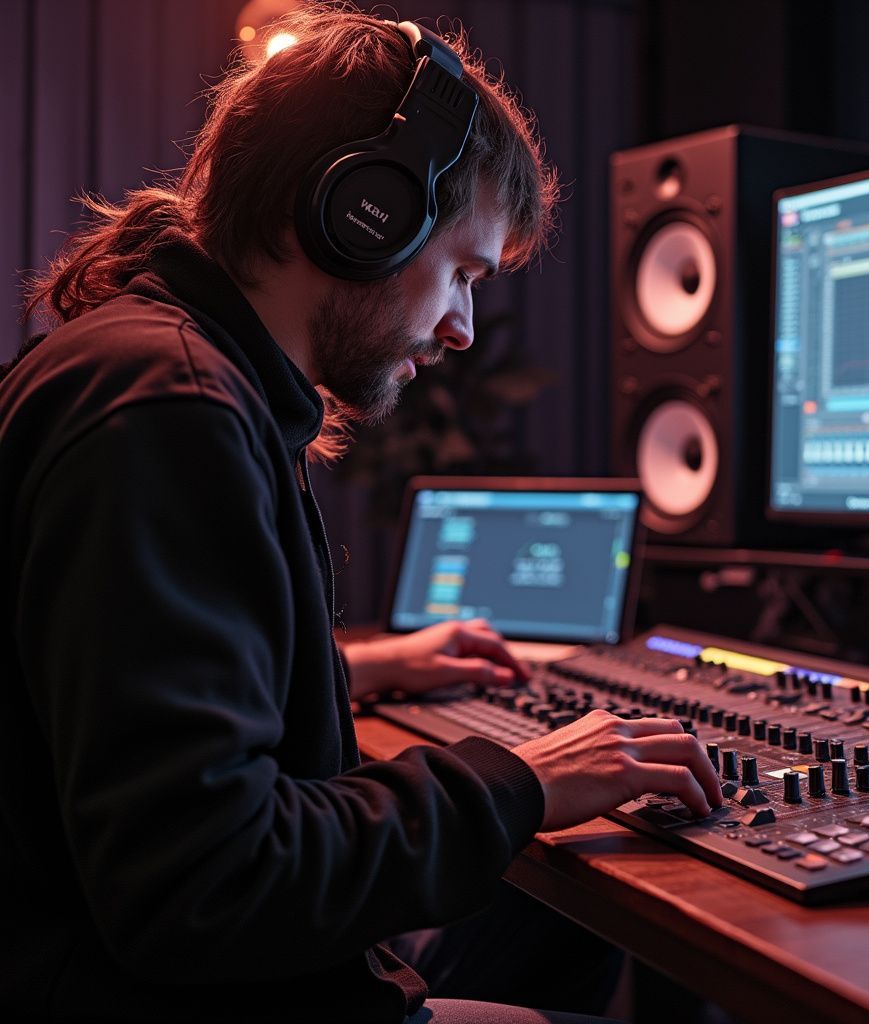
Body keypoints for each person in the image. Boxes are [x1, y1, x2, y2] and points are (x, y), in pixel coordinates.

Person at [0, 5, 722, 1022]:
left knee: (556, 914)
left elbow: (126, 692)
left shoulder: (158, 368)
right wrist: (513, 777)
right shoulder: (171, 409)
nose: (465, 327)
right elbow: (205, 883)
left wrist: (360, 667)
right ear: (363, 214)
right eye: (463, 273)